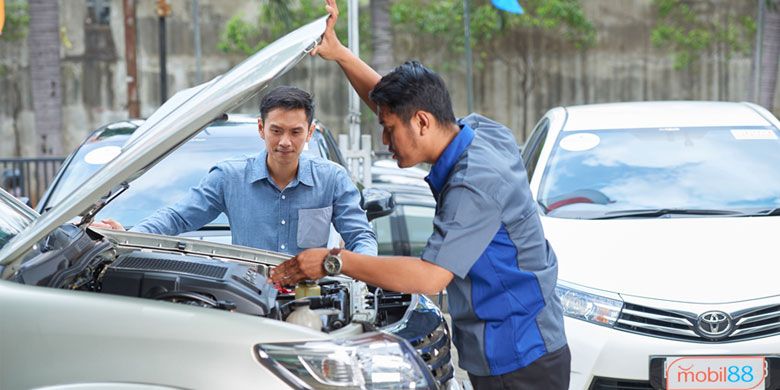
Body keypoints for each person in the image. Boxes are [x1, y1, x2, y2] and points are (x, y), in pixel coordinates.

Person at [269, 1, 570, 388]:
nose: (384, 140)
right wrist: (341, 54)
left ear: (423, 122)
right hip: (510, 342)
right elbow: (397, 108)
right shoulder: (476, 132)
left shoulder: (475, 184)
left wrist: (333, 261)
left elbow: (430, 278)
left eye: (389, 130)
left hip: (520, 357)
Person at [93, 85, 377, 256]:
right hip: (246, 302)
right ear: (261, 128)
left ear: (310, 133)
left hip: (316, 303)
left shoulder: (333, 179)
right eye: (276, 130)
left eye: (295, 132)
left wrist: (357, 271)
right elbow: (177, 217)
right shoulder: (229, 177)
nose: (285, 142)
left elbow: (361, 237)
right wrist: (130, 237)